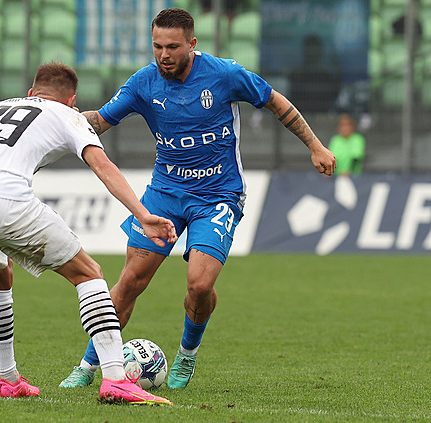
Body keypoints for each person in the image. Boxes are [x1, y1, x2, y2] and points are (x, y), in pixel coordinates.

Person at [59, 8, 336, 390]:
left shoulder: (224, 74)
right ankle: (89, 365)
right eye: (157, 46)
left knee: (200, 284)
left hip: (218, 195)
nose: (163, 55)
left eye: (172, 47)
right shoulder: (143, 83)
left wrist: (315, 145)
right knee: (130, 281)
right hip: (165, 193)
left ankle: (187, 355)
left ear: (192, 43)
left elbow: (275, 101)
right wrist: (58, 117)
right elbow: (101, 121)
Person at [0, 63, 177, 404]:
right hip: (3, 199)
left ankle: (8, 380)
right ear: (72, 99)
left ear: (31, 92)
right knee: (89, 274)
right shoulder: (68, 115)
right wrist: (143, 215)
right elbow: (102, 166)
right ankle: (117, 379)